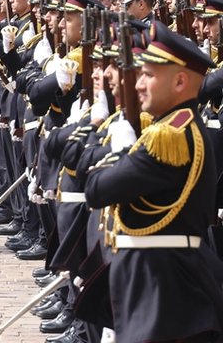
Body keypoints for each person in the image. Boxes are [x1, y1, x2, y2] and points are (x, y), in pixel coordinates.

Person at [85, 20, 223, 342]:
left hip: (163, 285)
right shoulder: (178, 129)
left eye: (148, 75)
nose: (138, 84)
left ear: (178, 82)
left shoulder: (169, 139)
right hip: (161, 276)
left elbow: (97, 189)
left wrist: (120, 152)